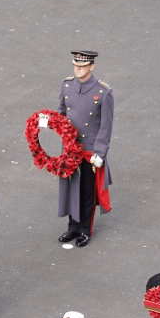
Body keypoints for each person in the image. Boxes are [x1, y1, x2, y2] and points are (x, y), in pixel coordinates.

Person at [56, 50, 113, 248]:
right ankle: (72, 226)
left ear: (91, 67)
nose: (78, 69)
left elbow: (106, 126)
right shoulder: (67, 86)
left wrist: (100, 153)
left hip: (90, 149)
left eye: (82, 66)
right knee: (72, 187)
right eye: (76, 66)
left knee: (88, 190)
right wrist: (49, 122)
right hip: (70, 147)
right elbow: (61, 114)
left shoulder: (103, 92)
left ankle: (84, 229)